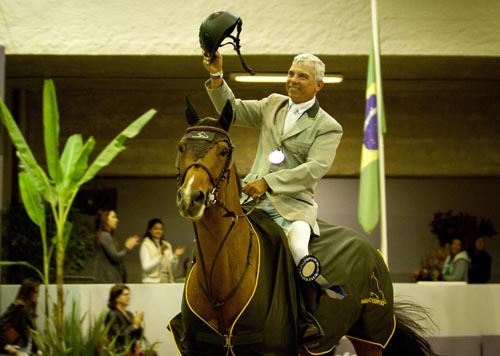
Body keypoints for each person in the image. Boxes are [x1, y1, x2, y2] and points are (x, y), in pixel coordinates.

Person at [203, 50, 343, 346]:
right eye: (291, 73)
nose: (292, 80)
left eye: (302, 76)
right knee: (212, 238)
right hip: (251, 202)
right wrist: (216, 76)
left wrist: (269, 181)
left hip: (293, 207)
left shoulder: (328, 126)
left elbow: (313, 169)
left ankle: (307, 317)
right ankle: (200, 309)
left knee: (297, 248)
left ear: (319, 85)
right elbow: (235, 110)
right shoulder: (273, 104)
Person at [93, 208, 140, 283]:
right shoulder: (105, 236)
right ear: (105, 219)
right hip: (106, 278)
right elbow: (115, 257)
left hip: (106, 278)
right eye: (113, 217)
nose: (116, 220)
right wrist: (127, 248)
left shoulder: (104, 236)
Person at [0, 279, 40, 355]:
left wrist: (37, 350)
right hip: (18, 349)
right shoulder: (17, 306)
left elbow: (30, 334)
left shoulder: (29, 310)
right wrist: (6, 345)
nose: (38, 295)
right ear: (28, 292)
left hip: (27, 351)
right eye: (35, 292)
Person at [139, 218, 186, 283]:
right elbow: (146, 268)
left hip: (167, 280)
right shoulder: (146, 245)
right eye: (155, 229)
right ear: (149, 230)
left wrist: (175, 256)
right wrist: (160, 255)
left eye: (161, 229)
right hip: (152, 282)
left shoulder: (166, 245)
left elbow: (172, 269)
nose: (158, 231)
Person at [105, 285, 144, 355]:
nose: (129, 297)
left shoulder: (129, 314)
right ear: (117, 297)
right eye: (125, 295)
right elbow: (118, 337)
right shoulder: (112, 314)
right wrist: (134, 326)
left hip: (131, 350)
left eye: (129, 294)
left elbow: (138, 336)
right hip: (119, 352)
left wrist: (138, 324)